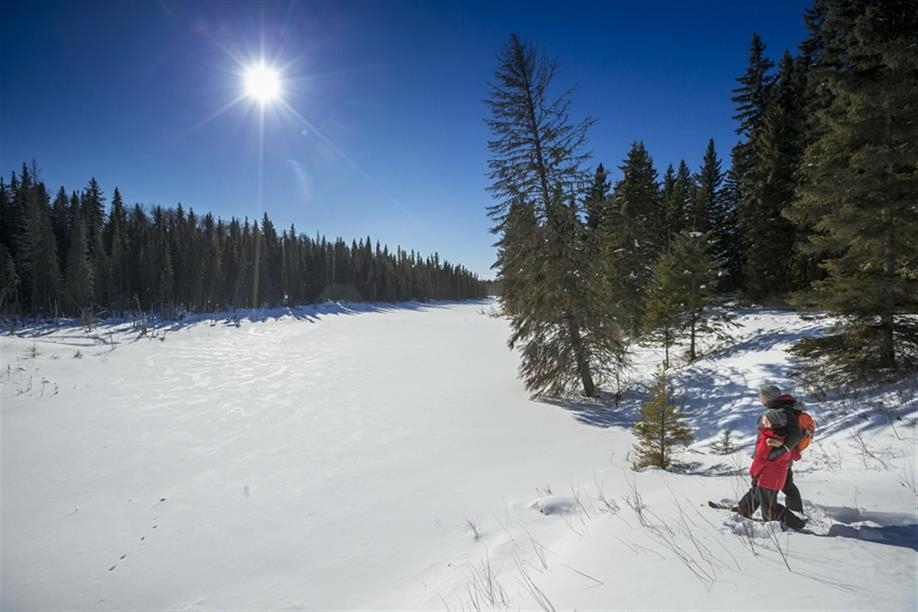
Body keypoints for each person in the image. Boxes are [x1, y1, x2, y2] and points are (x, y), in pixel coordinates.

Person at [735, 385, 806, 530]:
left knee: (768, 499)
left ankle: (796, 521)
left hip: (773, 462)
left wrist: (777, 453)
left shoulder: (775, 414)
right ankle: (743, 510)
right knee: (759, 489)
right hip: (780, 460)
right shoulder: (783, 409)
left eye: (761, 395)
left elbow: (793, 436)